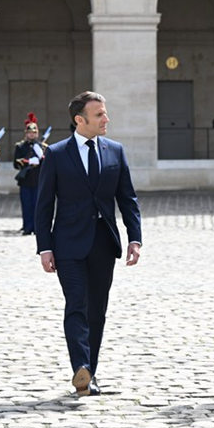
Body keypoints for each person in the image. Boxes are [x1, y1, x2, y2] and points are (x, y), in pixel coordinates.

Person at [35, 91, 142, 396]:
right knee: (76, 305)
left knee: (97, 310)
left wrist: (135, 238)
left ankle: (90, 373)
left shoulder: (115, 151)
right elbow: (44, 205)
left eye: (105, 113)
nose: (106, 119)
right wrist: (45, 247)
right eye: (99, 115)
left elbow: (128, 199)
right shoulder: (56, 154)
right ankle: (80, 367)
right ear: (79, 120)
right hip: (68, 245)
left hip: (104, 244)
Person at [14, 113, 48, 235]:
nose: (32, 135)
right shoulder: (20, 146)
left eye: (34, 133)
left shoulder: (42, 147)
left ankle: (37, 227)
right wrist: (28, 162)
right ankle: (27, 227)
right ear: (26, 133)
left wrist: (41, 159)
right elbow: (16, 163)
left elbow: (48, 164)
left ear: (37, 133)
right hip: (26, 179)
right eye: (29, 133)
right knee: (27, 205)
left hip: (39, 180)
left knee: (38, 206)